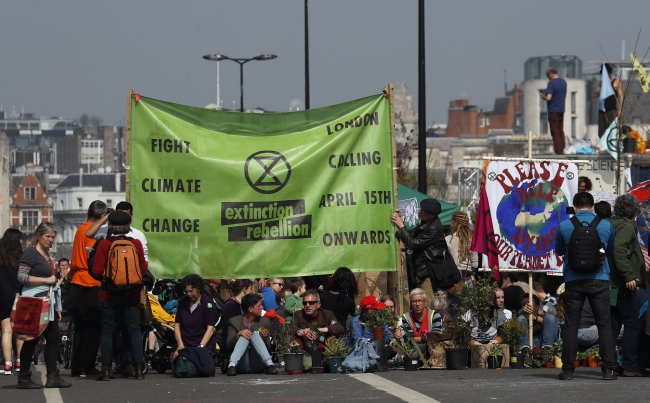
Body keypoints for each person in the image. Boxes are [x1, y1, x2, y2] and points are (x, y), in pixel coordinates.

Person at [555, 191, 618, 380]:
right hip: (599, 279)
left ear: (574, 208)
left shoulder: (565, 225)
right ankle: (608, 369)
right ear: (593, 207)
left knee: (571, 326)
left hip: (573, 281)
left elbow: (559, 251)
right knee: (604, 325)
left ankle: (567, 370)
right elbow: (610, 251)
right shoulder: (605, 225)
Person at [91, 211, 148, 381]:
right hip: (132, 293)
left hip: (110, 293)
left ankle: (106, 370)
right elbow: (143, 269)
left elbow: (96, 271)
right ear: (127, 227)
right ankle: (138, 368)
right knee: (134, 330)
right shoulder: (136, 243)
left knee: (108, 330)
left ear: (110, 226)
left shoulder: (105, 244)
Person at [16, 222, 71, 389]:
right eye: (47, 236)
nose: (50, 239)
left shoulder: (45, 254)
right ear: (38, 236)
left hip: (48, 303)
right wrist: (46, 280)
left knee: (53, 338)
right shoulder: (31, 253)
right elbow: (21, 277)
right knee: (32, 339)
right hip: (35, 303)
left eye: (53, 236)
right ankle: (24, 377)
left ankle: (52, 375)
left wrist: (58, 306)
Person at [607, 194, 646, 376]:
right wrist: (629, 275)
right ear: (632, 211)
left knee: (613, 325)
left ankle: (610, 364)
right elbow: (619, 250)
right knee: (631, 324)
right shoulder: (628, 226)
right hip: (624, 284)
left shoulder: (608, 223)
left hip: (610, 283)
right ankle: (630, 365)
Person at [67, 200, 106, 378]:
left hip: (76, 283)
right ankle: (88, 366)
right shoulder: (93, 231)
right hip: (91, 283)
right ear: (101, 217)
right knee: (93, 328)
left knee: (80, 329)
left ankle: (77, 367)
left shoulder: (79, 230)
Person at [392, 199, 447, 297]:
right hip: (421, 271)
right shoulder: (425, 223)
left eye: (423, 210)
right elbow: (411, 235)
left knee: (426, 302)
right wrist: (402, 221)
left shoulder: (433, 228)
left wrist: (400, 225)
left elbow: (413, 243)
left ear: (431, 214)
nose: (419, 211)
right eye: (421, 208)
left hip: (428, 272)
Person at [226, 293, 277, 376]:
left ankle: (270, 365)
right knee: (244, 335)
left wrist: (264, 339)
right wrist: (238, 335)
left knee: (254, 335)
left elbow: (269, 347)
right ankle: (232, 365)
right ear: (250, 309)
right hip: (241, 363)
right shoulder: (233, 321)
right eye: (259, 305)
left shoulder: (264, 321)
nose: (262, 307)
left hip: (257, 362)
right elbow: (228, 345)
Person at [290, 290, 345, 362]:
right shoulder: (299, 314)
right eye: (305, 303)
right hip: (306, 349)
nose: (307, 305)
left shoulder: (327, 314)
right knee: (296, 340)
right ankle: (298, 363)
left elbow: (339, 327)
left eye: (311, 302)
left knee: (331, 339)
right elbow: (289, 326)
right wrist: (301, 331)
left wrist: (321, 330)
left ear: (318, 304)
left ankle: (329, 362)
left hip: (323, 348)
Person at [173, 274, 218, 359]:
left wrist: (201, 347)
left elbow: (210, 329)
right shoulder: (183, 302)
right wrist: (180, 345)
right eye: (186, 291)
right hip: (186, 345)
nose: (188, 294)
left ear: (198, 289)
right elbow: (177, 325)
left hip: (204, 346)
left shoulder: (208, 303)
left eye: (191, 291)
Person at [0, 228, 24, 375]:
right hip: (19, 296)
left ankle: (7, 364)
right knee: (20, 331)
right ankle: (20, 361)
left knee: (6, 331)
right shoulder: (21, 258)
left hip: (2, 296)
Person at [398, 288, 438, 354]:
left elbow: (436, 337)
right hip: (414, 347)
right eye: (414, 301)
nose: (417, 304)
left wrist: (419, 339)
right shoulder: (406, 317)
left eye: (420, 301)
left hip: (432, 348)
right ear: (411, 303)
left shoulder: (434, 315)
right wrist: (424, 339)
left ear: (425, 302)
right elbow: (410, 339)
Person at [219, 279, 253, 350]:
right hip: (231, 344)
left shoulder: (242, 305)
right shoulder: (230, 305)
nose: (252, 291)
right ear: (244, 290)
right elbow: (230, 326)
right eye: (250, 289)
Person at [540, 67, 568, 154]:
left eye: (548, 76)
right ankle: (563, 148)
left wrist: (543, 96)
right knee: (560, 130)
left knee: (555, 131)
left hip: (553, 110)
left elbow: (549, 98)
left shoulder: (551, 83)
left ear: (550, 74)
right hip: (561, 109)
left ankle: (558, 151)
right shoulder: (563, 82)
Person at [594, 63, 624, 138]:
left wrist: (621, 110)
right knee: (601, 132)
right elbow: (595, 95)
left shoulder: (616, 82)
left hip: (611, 110)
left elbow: (621, 96)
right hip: (602, 110)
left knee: (612, 131)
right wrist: (602, 87)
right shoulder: (601, 83)